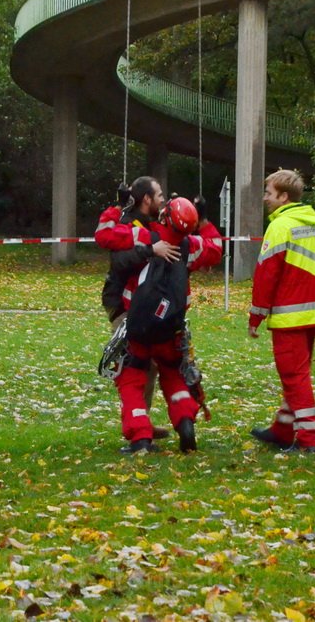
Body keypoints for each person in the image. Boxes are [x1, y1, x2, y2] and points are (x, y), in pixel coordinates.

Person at [98, 184, 223, 453]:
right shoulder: (191, 246)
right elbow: (216, 247)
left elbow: (106, 234)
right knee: (173, 374)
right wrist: (202, 218)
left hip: (139, 326)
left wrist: (118, 207)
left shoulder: (146, 236)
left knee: (130, 378)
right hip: (170, 328)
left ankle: (140, 435)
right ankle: (185, 420)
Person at [247, 169, 315, 452]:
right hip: (313, 313)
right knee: (295, 375)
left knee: (295, 377)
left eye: (269, 193)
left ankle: (308, 438)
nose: (265, 199)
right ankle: (283, 429)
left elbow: (266, 275)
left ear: (284, 197)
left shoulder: (280, 227)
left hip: (289, 315)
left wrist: (256, 316)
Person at [96, 178, 178, 439]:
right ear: (146, 199)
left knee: (150, 365)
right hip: (124, 304)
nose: (163, 200)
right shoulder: (126, 225)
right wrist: (150, 250)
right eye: (160, 195)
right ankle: (135, 425)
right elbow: (120, 262)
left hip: (146, 304)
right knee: (133, 367)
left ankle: (142, 420)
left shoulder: (150, 224)